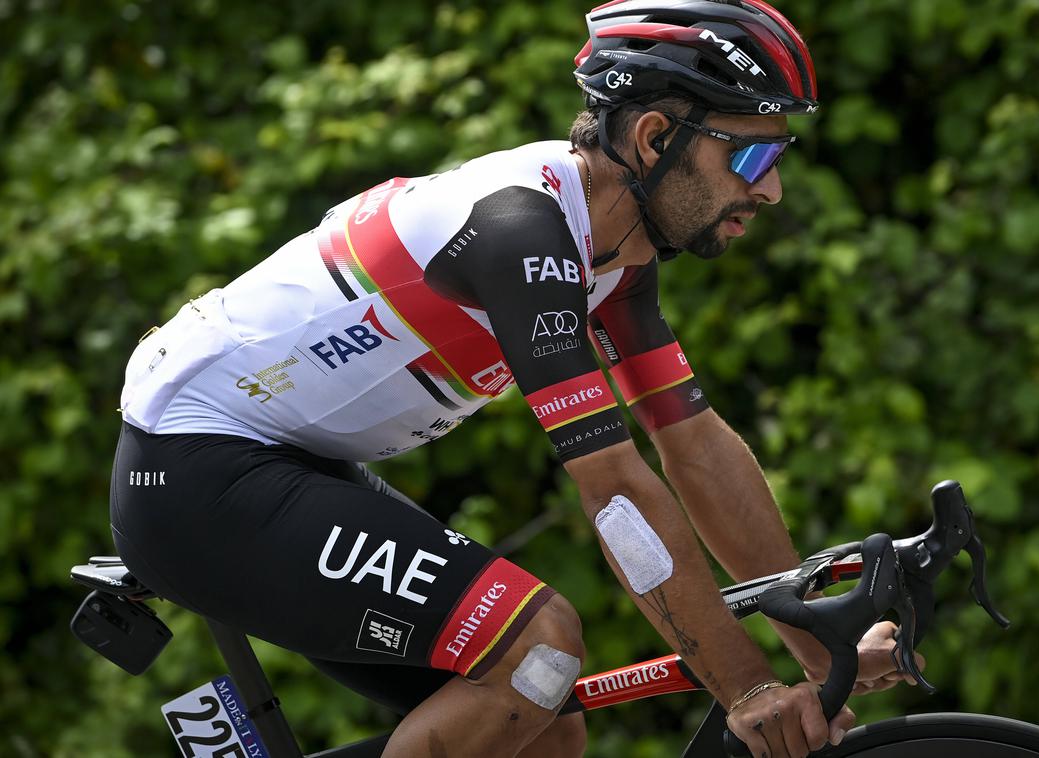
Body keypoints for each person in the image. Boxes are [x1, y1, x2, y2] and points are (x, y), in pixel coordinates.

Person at [110, 1, 919, 756]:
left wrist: (816, 655)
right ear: (650, 138)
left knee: (542, 727)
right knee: (539, 649)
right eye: (752, 153)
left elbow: (696, 449)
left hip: (287, 458)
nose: (771, 188)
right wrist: (745, 688)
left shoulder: (616, 259)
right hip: (194, 470)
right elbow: (614, 488)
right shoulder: (519, 234)